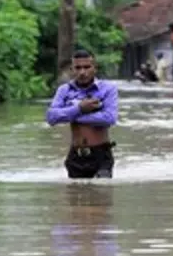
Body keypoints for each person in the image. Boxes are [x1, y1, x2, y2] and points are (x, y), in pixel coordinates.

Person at [45, 50, 119, 179]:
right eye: (78, 68)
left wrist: (74, 115)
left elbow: (110, 118)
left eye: (87, 67)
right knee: (75, 196)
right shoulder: (64, 90)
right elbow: (51, 117)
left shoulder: (108, 89)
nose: (82, 72)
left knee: (101, 195)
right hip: (75, 156)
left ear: (94, 68)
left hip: (101, 155)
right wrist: (79, 108)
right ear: (72, 69)